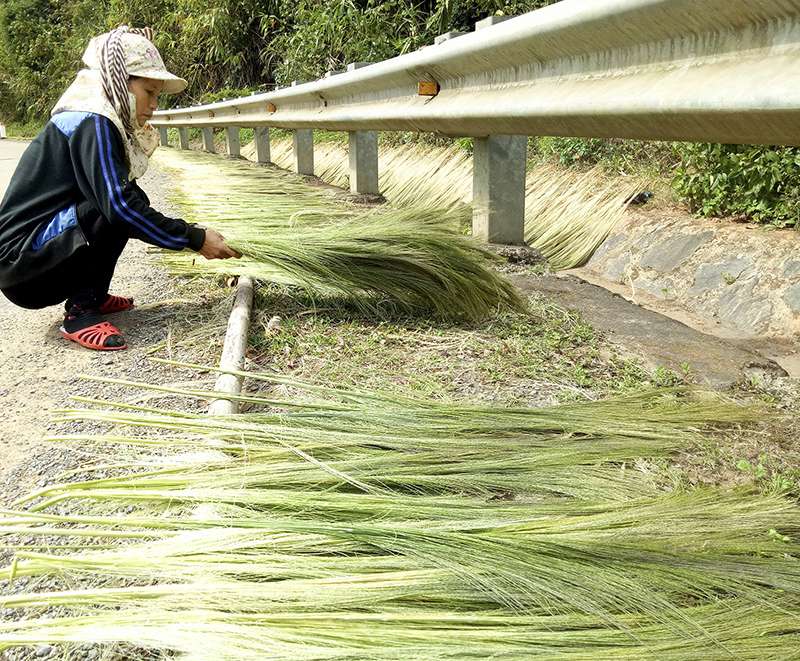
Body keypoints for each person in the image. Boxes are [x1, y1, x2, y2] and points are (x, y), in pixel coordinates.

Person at [0, 26, 240, 352]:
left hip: (36, 257)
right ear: (120, 82)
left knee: (130, 197)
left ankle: (93, 294)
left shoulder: (95, 112)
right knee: (118, 206)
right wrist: (194, 238)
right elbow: (119, 207)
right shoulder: (92, 119)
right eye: (149, 92)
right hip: (21, 266)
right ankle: (81, 312)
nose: (154, 104)